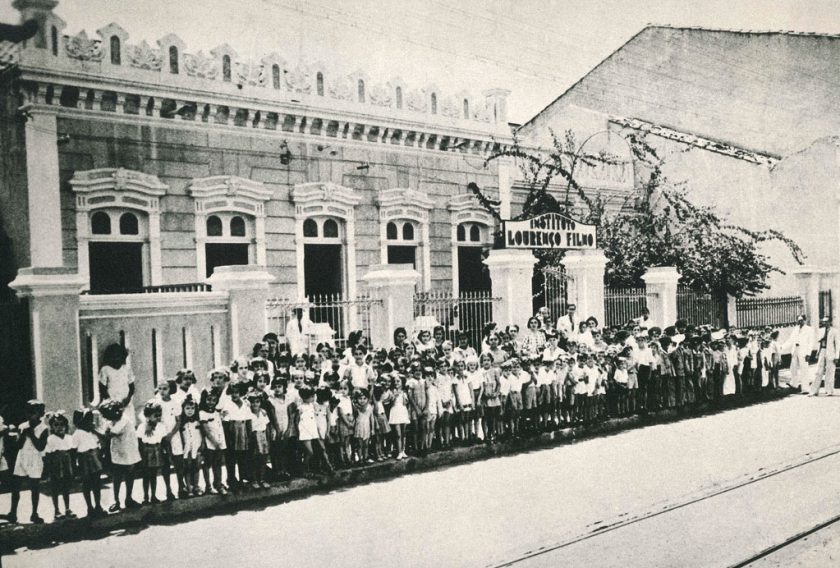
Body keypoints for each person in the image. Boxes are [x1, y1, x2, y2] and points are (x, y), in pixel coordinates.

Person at [7, 400, 48, 524]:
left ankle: (34, 513)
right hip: (22, 457)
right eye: (28, 412)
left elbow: (41, 447)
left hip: (35, 459)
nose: (29, 415)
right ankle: (13, 512)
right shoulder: (23, 426)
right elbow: (19, 446)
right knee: (16, 486)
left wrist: (31, 435)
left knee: (34, 488)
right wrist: (23, 435)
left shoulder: (44, 428)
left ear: (40, 413)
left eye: (33, 412)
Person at [44, 411, 76, 520]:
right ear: (52, 427)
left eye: (62, 424)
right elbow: (47, 456)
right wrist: (48, 470)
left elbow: (72, 453)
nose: (59, 427)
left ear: (66, 426)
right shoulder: (50, 439)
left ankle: (67, 508)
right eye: (56, 425)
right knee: (55, 488)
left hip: (67, 465)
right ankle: (56, 510)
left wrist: (73, 467)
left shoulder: (69, 438)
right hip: (55, 466)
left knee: (66, 488)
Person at [72, 409, 104, 517]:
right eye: (88, 420)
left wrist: (94, 431)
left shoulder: (92, 432)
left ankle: (98, 505)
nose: (91, 423)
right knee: (87, 483)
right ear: (81, 422)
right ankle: (89, 507)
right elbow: (73, 450)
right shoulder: (77, 434)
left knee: (97, 482)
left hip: (94, 457)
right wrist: (74, 465)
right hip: (84, 459)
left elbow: (100, 441)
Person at [98, 344, 135, 422]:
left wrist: (128, 398)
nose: (116, 359)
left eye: (118, 356)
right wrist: (110, 402)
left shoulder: (127, 368)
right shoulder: (105, 369)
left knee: (128, 422)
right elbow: (102, 389)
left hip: (126, 402)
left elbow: (132, 387)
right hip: (112, 403)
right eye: (113, 357)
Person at [784, 315, 815, 392]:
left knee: (804, 369)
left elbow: (811, 342)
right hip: (795, 350)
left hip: (803, 351)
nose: (800, 322)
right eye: (798, 320)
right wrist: (782, 347)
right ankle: (794, 385)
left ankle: (805, 388)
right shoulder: (795, 329)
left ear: (804, 320)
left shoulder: (809, 329)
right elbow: (790, 340)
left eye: (801, 320)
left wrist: (808, 353)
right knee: (793, 368)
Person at [810, 316, 840, 396]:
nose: (825, 323)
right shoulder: (821, 331)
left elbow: (837, 344)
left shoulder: (835, 331)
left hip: (830, 352)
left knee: (830, 371)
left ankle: (829, 390)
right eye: (824, 321)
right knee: (818, 371)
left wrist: (837, 357)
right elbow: (819, 342)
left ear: (830, 322)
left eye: (826, 321)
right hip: (822, 351)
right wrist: (817, 353)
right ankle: (814, 391)